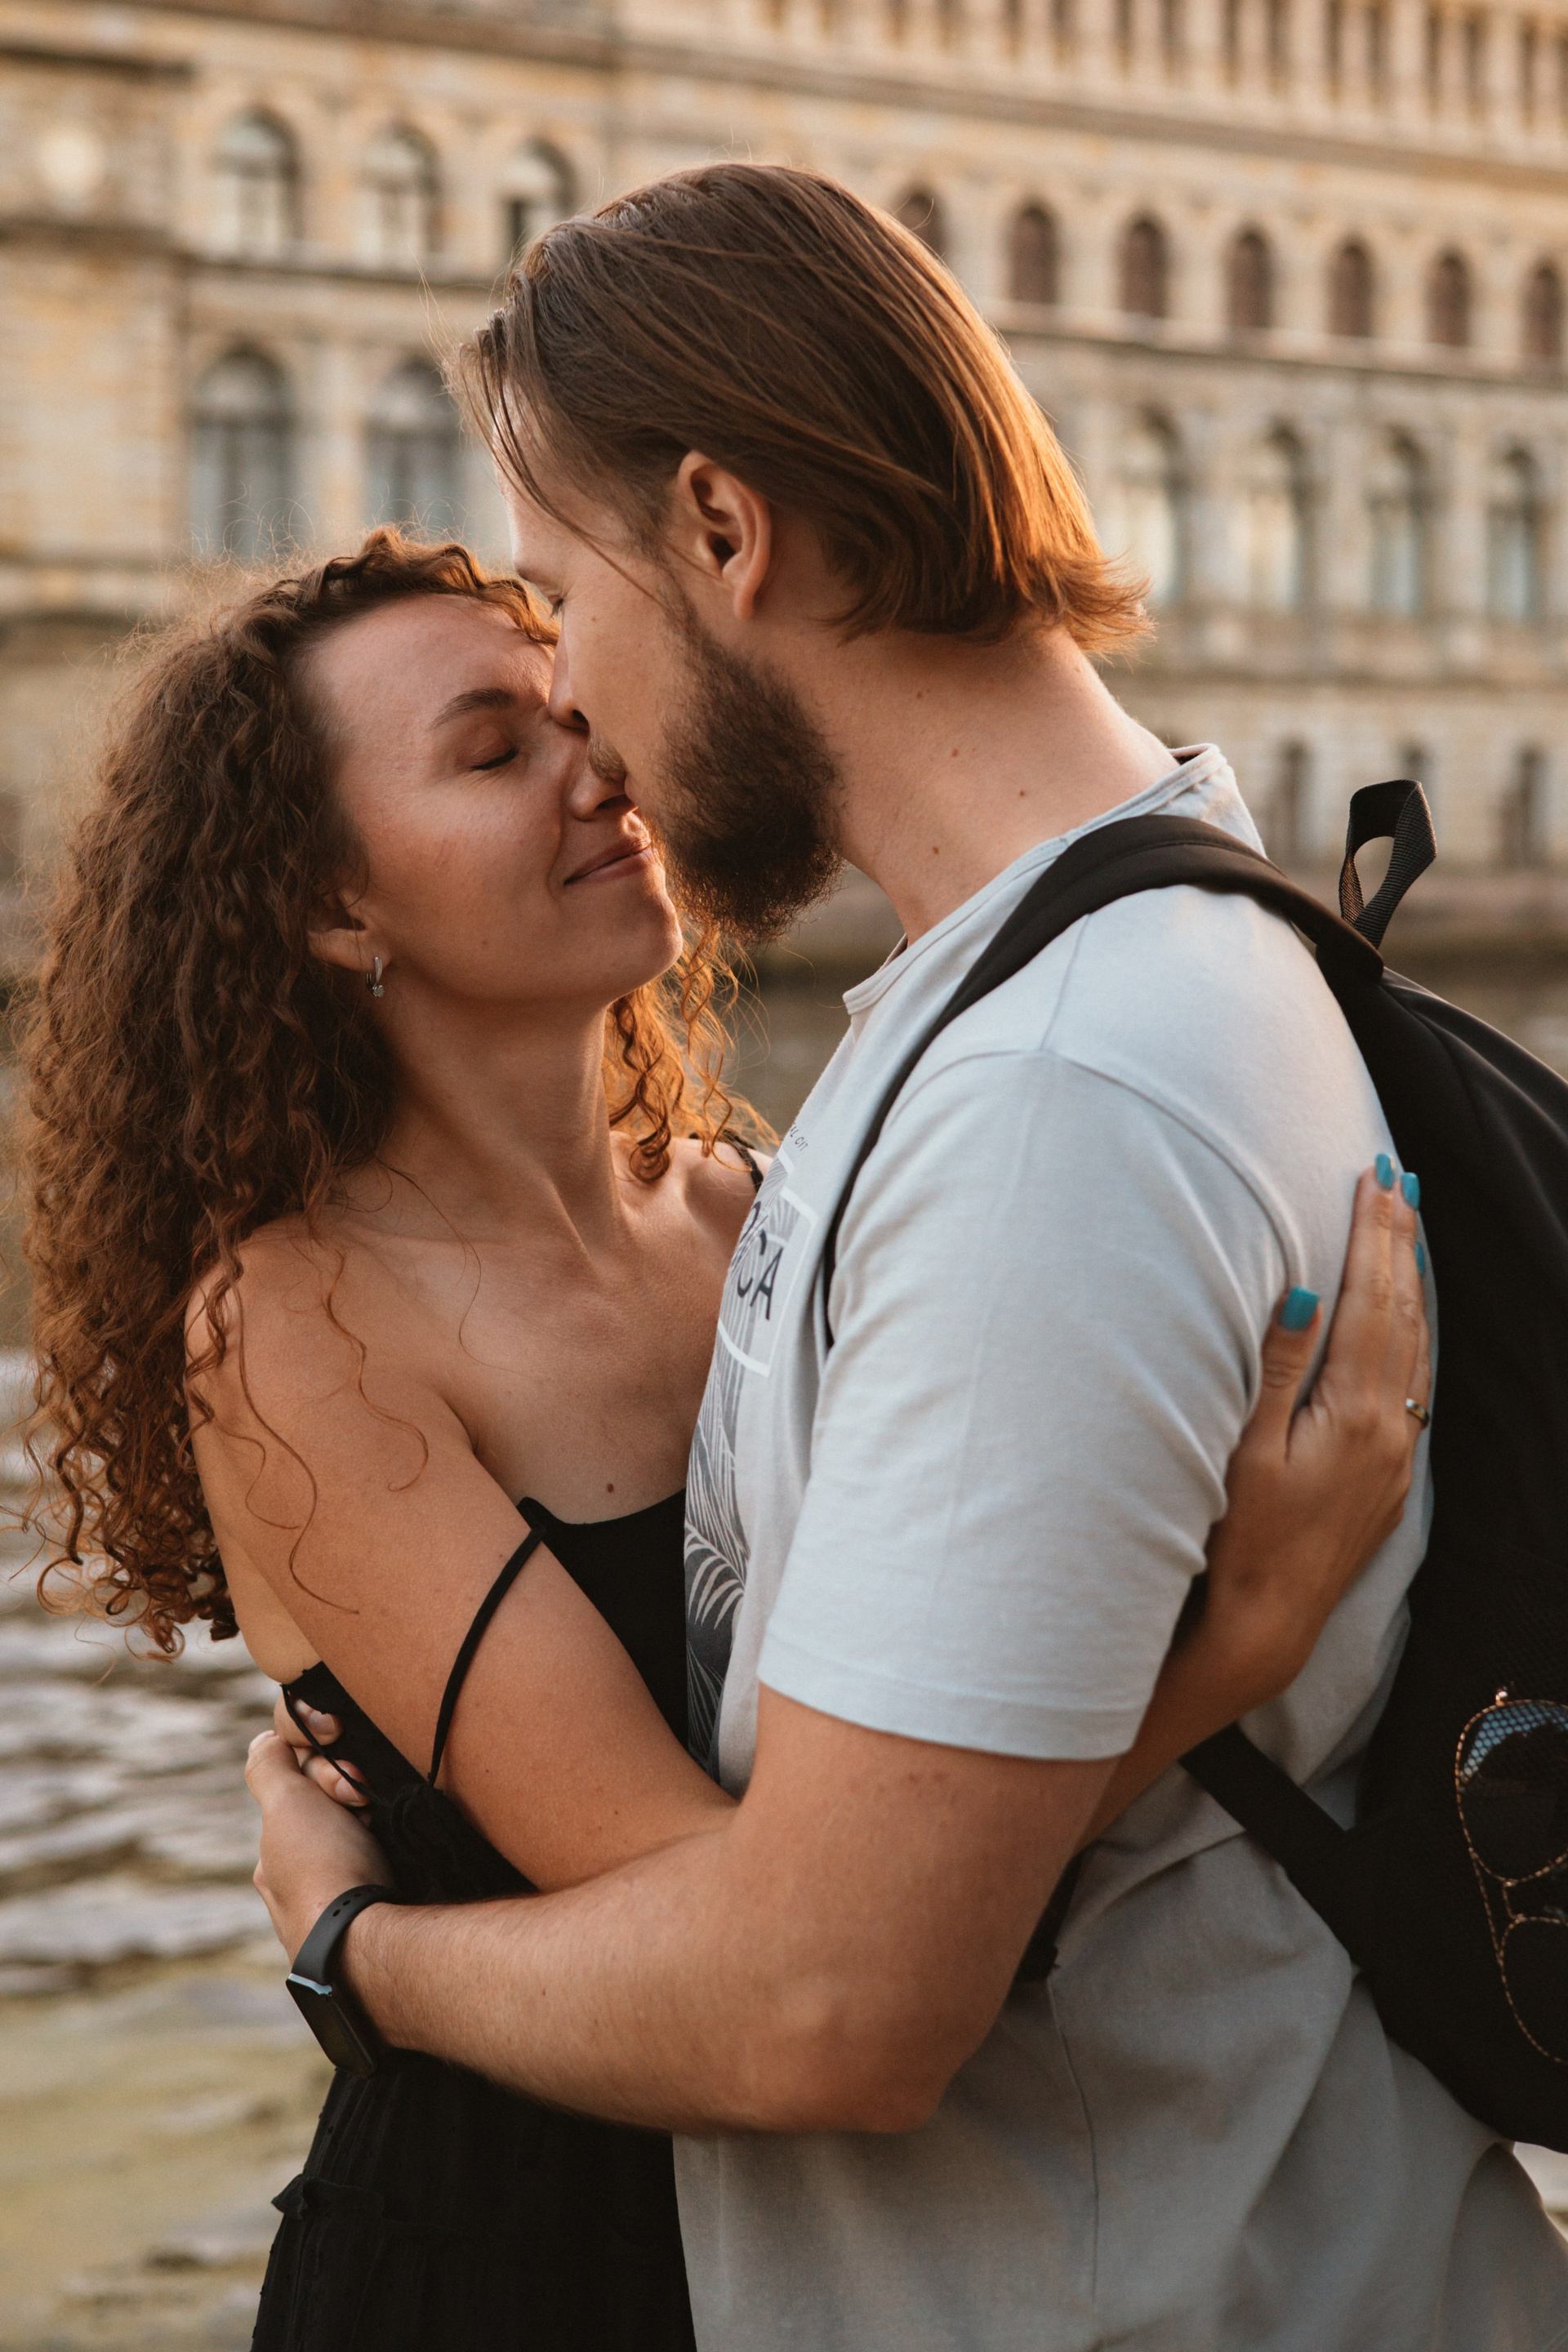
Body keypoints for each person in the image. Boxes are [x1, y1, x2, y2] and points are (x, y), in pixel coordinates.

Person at [242, 165, 1568, 2350]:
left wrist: (349, 1953)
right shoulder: (1056, 993)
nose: (577, 703)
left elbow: (837, 2000)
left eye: (565, 596)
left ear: (722, 530)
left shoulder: (1056, 1097)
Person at [23, 528, 1419, 2350]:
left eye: (571, 709)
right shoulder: (295, 1332)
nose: (596, 763)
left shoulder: (750, 1199)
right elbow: (758, 1922)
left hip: (865, 2249)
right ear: (335, 910)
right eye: (492, 750)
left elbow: (875, 1865)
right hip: (519, 2259)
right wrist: (1236, 1647)